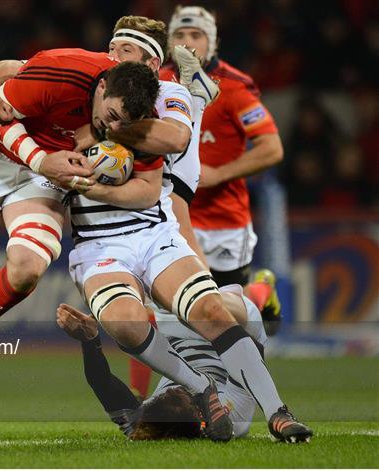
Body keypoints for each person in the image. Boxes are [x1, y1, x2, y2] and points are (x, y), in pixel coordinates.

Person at [64, 22, 312, 443]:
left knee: (172, 205)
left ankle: (196, 96)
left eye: (124, 48)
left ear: (150, 63)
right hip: (133, 238)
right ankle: (268, 379)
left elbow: (172, 141)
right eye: (111, 47)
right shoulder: (230, 421)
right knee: (215, 305)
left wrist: (97, 134)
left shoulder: (154, 95)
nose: (113, 54)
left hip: (146, 230)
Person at [0, 48, 160, 382]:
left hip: (44, 175)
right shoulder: (63, 72)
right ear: (102, 88)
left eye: (123, 124)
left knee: (28, 267)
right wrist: (40, 157)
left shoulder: (140, 109)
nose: (112, 126)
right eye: (111, 114)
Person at [56, 286, 309, 443]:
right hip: (238, 336)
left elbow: (101, 383)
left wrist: (90, 341)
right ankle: (261, 290)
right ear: (204, 416)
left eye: (171, 390)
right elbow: (250, 351)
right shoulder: (236, 416)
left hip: (175, 337)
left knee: (164, 300)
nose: (183, 387)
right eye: (188, 394)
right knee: (212, 303)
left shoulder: (146, 423)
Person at [161, 5, 284, 324]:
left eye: (196, 35)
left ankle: (260, 292)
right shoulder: (156, 81)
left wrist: (218, 174)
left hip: (223, 221)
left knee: (231, 315)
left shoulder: (234, 88)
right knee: (166, 311)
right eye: (180, 34)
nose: (187, 42)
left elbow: (272, 148)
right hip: (171, 214)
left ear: (212, 43)